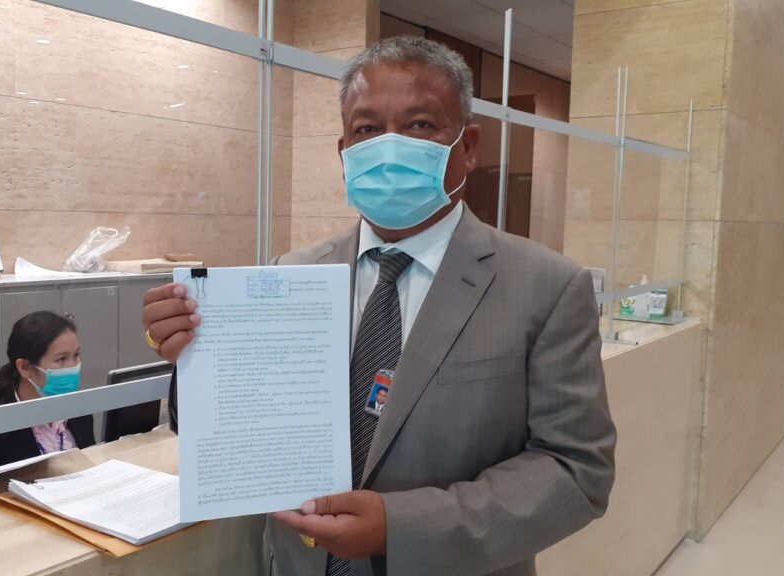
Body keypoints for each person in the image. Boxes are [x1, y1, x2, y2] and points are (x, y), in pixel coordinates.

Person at [143, 36, 615, 576]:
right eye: (367, 129)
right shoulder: (291, 275)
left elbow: (576, 469)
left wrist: (400, 526)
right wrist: (191, 357)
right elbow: (237, 433)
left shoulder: (546, 287)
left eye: (420, 124)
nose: (390, 147)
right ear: (344, 152)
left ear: (468, 147)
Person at [0, 311, 94, 478]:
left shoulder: (78, 410)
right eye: (61, 359)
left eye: (76, 355)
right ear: (24, 367)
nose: (73, 366)